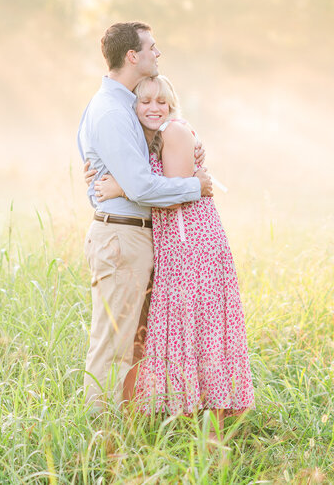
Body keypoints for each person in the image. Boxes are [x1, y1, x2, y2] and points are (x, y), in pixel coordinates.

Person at [92, 75, 255, 430]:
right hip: (175, 245)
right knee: (183, 326)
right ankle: (181, 411)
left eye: (161, 101)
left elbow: (178, 190)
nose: (154, 108)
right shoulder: (148, 139)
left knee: (198, 324)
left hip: (191, 244)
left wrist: (121, 186)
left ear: (171, 104)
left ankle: (211, 420)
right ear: (132, 106)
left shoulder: (174, 131)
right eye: (145, 101)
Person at [77, 22, 213, 410]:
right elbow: (139, 186)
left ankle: (128, 425)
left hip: (137, 235)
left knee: (134, 343)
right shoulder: (111, 111)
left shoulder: (123, 105)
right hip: (122, 237)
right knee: (113, 344)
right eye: (153, 48)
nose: (158, 54)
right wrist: (195, 185)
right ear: (132, 56)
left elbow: (102, 164)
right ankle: (101, 434)